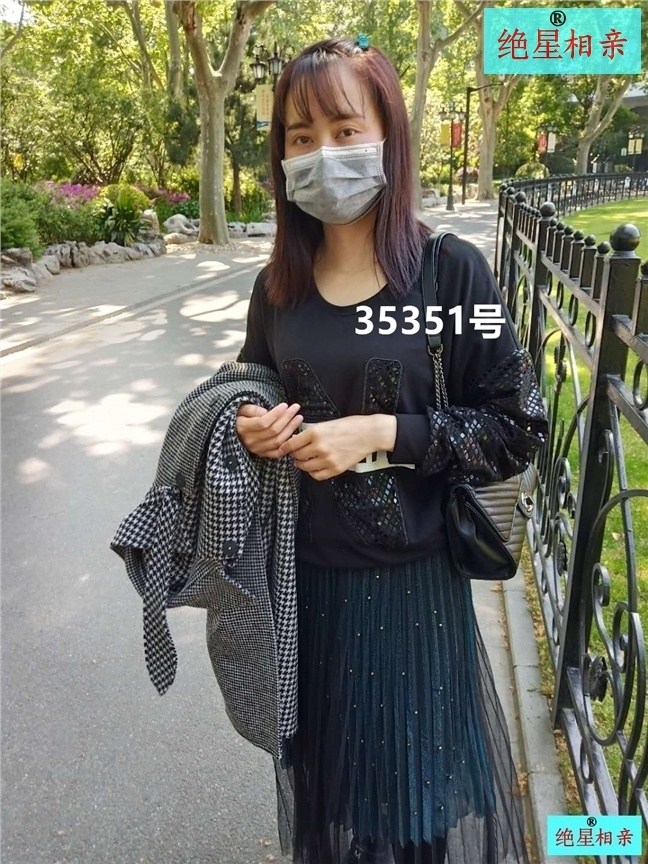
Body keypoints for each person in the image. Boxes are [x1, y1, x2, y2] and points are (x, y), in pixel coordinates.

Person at [235, 37, 548, 864]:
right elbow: (250, 385)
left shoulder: (451, 273)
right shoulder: (276, 288)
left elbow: (518, 424)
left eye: (345, 130)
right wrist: (250, 425)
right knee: (338, 806)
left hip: (413, 594)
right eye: (300, 137)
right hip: (307, 592)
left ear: (388, 135)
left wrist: (385, 433)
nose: (322, 154)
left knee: (413, 813)